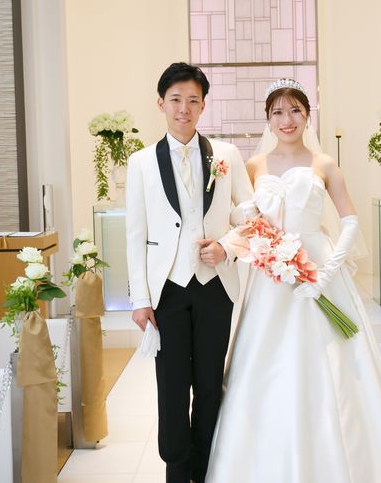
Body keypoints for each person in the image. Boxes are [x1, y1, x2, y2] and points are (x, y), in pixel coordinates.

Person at [205, 79, 381, 483]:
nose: (287, 119)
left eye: (295, 110)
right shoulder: (254, 165)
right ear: (267, 119)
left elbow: (349, 221)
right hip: (271, 276)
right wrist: (257, 239)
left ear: (307, 115)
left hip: (319, 266)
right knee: (265, 358)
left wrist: (326, 272)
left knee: (336, 361)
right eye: (278, 112)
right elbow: (241, 217)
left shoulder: (324, 164)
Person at [125, 62, 253, 483]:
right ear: (161, 103)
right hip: (168, 289)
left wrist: (227, 247)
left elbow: (250, 216)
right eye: (176, 99)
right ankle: (177, 471)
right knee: (172, 384)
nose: (184, 108)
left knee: (210, 382)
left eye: (193, 100)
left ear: (203, 106)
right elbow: (135, 234)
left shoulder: (227, 155)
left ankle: (207, 468)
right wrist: (140, 299)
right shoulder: (141, 162)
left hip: (216, 287)